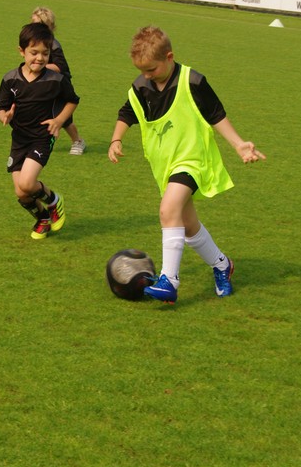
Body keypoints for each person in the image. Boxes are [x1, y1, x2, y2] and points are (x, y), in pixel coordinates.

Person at [108, 26, 265, 303]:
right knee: (188, 225)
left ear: (169, 57)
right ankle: (222, 265)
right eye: (142, 70)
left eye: (151, 69)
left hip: (193, 160)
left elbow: (216, 114)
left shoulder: (193, 81)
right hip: (165, 166)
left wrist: (239, 144)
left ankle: (169, 280)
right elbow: (127, 112)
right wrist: (116, 139)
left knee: (167, 209)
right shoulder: (141, 86)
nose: (147, 75)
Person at [0, 22, 80, 239]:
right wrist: (5, 116)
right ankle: (42, 218)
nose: (40, 58)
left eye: (45, 53)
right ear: (21, 51)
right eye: (34, 53)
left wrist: (59, 120)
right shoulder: (10, 79)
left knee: (27, 183)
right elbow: (0, 108)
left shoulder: (56, 80)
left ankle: (54, 200)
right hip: (19, 139)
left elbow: (72, 100)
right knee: (21, 192)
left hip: (42, 137)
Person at [30, 7, 87, 155]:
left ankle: (78, 141)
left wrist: (40, 65)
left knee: (64, 118)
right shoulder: (34, 42)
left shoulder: (53, 45)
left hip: (61, 85)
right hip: (46, 84)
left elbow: (61, 67)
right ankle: (43, 139)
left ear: (48, 27)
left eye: (38, 24)